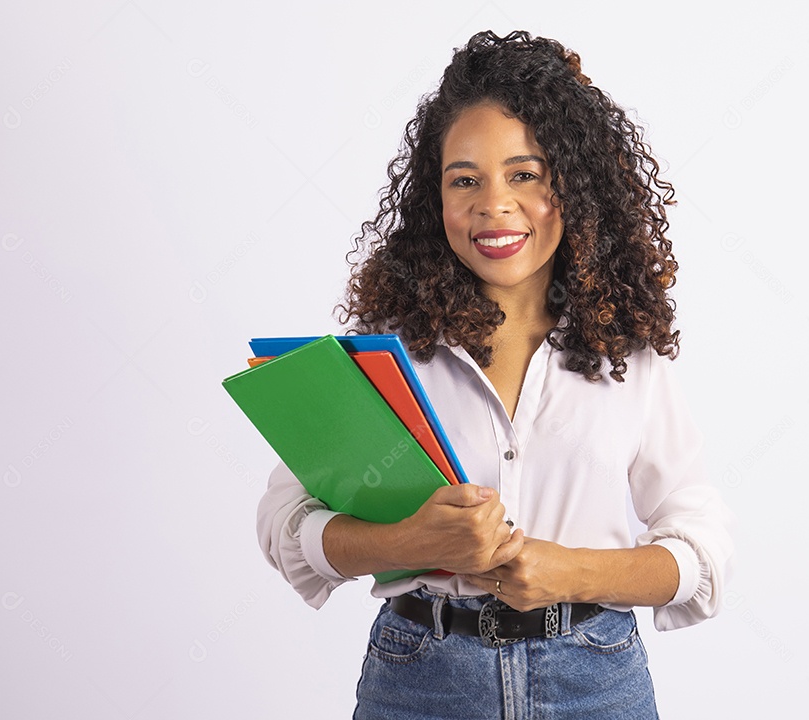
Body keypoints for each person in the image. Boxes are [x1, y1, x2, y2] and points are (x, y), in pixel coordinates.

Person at [257, 29, 734, 719]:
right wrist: (407, 543)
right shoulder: (386, 352)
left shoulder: (624, 354)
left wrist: (568, 571)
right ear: (435, 198)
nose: (493, 205)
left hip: (594, 681)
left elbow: (704, 549)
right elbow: (286, 519)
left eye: (525, 173)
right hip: (420, 679)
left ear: (571, 184)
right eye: (465, 180)